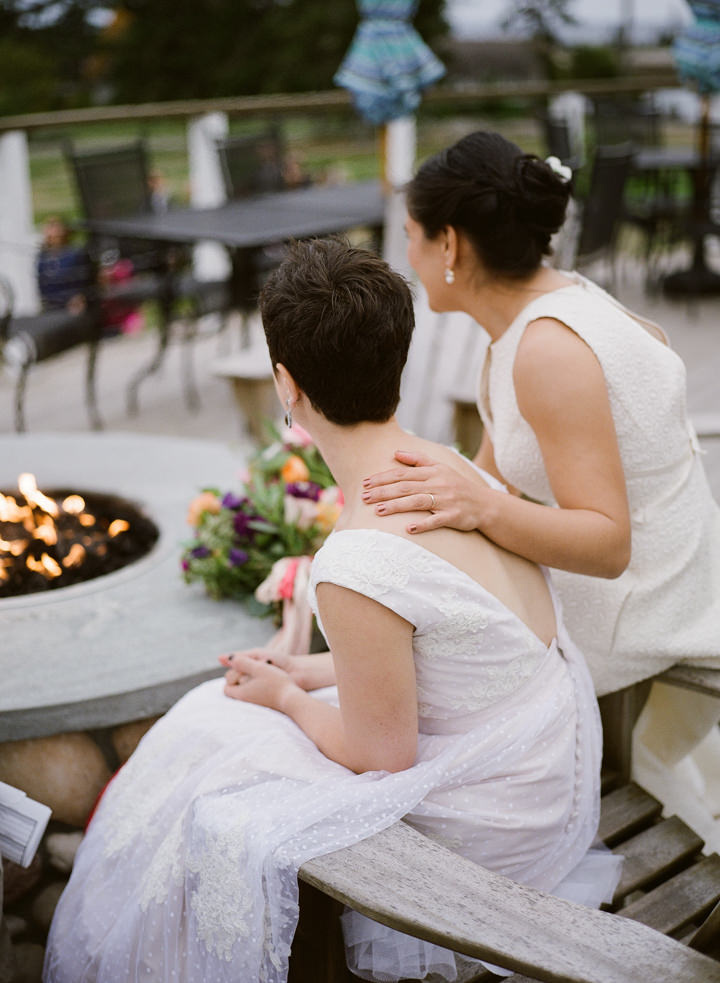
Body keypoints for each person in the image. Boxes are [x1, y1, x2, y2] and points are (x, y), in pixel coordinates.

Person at [44, 239, 620, 983]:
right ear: (397, 357)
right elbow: (456, 644)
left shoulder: (357, 561)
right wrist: (308, 665)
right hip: (551, 773)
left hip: (497, 830)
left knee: (209, 755)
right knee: (215, 717)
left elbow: (383, 757)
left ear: (287, 385)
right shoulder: (447, 469)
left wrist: (288, 695)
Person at [360, 130, 720, 828]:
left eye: (409, 235)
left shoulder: (550, 350)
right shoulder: (538, 315)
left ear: (451, 245)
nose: (404, 255)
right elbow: (494, 478)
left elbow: (608, 541)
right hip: (649, 583)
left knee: (431, 686)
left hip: (649, 616)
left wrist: (474, 508)